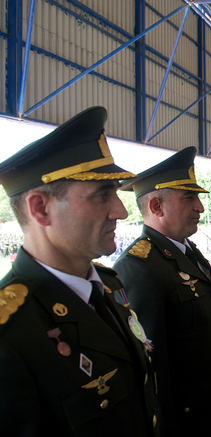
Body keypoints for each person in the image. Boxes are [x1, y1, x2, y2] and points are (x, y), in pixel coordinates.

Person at [0, 107, 159, 435]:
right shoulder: (11, 336)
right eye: (102, 194)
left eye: (115, 191)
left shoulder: (109, 287)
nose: (121, 209)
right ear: (40, 208)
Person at [113, 147, 211, 436]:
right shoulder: (139, 267)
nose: (200, 207)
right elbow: (152, 367)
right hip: (187, 422)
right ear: (156, 207)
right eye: (189, 198)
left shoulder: (189, 252)